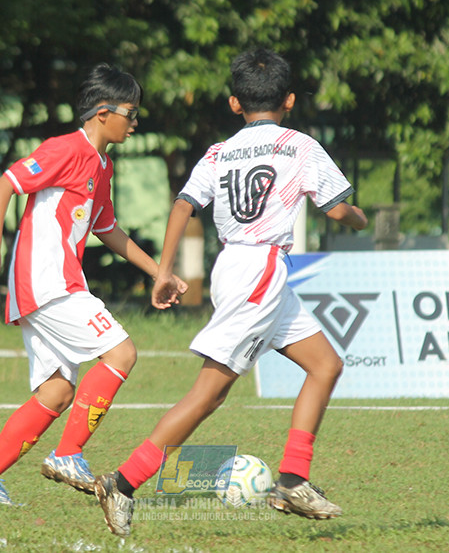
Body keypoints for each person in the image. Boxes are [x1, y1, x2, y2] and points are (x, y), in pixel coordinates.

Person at [94, 48, 369, 536]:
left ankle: (291, 479)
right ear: (289, 100)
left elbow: (183, 206)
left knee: (325, 364)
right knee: (208, 395)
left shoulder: (219, 152)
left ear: (234, 104)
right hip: (260, 271)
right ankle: (122, 482)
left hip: (238, 267)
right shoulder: (299, 145)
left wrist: (163, 270)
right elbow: (336, 209)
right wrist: (358, 216)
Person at [0, 63, 187, 506]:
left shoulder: (102, 165)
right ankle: (68, 453)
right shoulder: (65, 149)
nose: (135, 123)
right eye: (131, 113)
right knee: (122, 352)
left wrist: (159, 272)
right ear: (103, 112)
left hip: (51, 285)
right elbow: (6, 183)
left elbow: (108, 229)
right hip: (49, 282)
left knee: (57, 391)